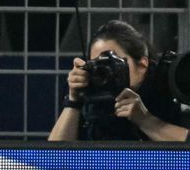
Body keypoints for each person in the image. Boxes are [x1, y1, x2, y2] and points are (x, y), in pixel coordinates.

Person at [48, 20, 188, 142]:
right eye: (98, 65)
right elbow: (53, 159)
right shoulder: (87, 87)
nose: (106, 71)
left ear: (143, 63)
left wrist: (144, 119)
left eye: (114, 63)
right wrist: (73, 102)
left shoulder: (165, 87)